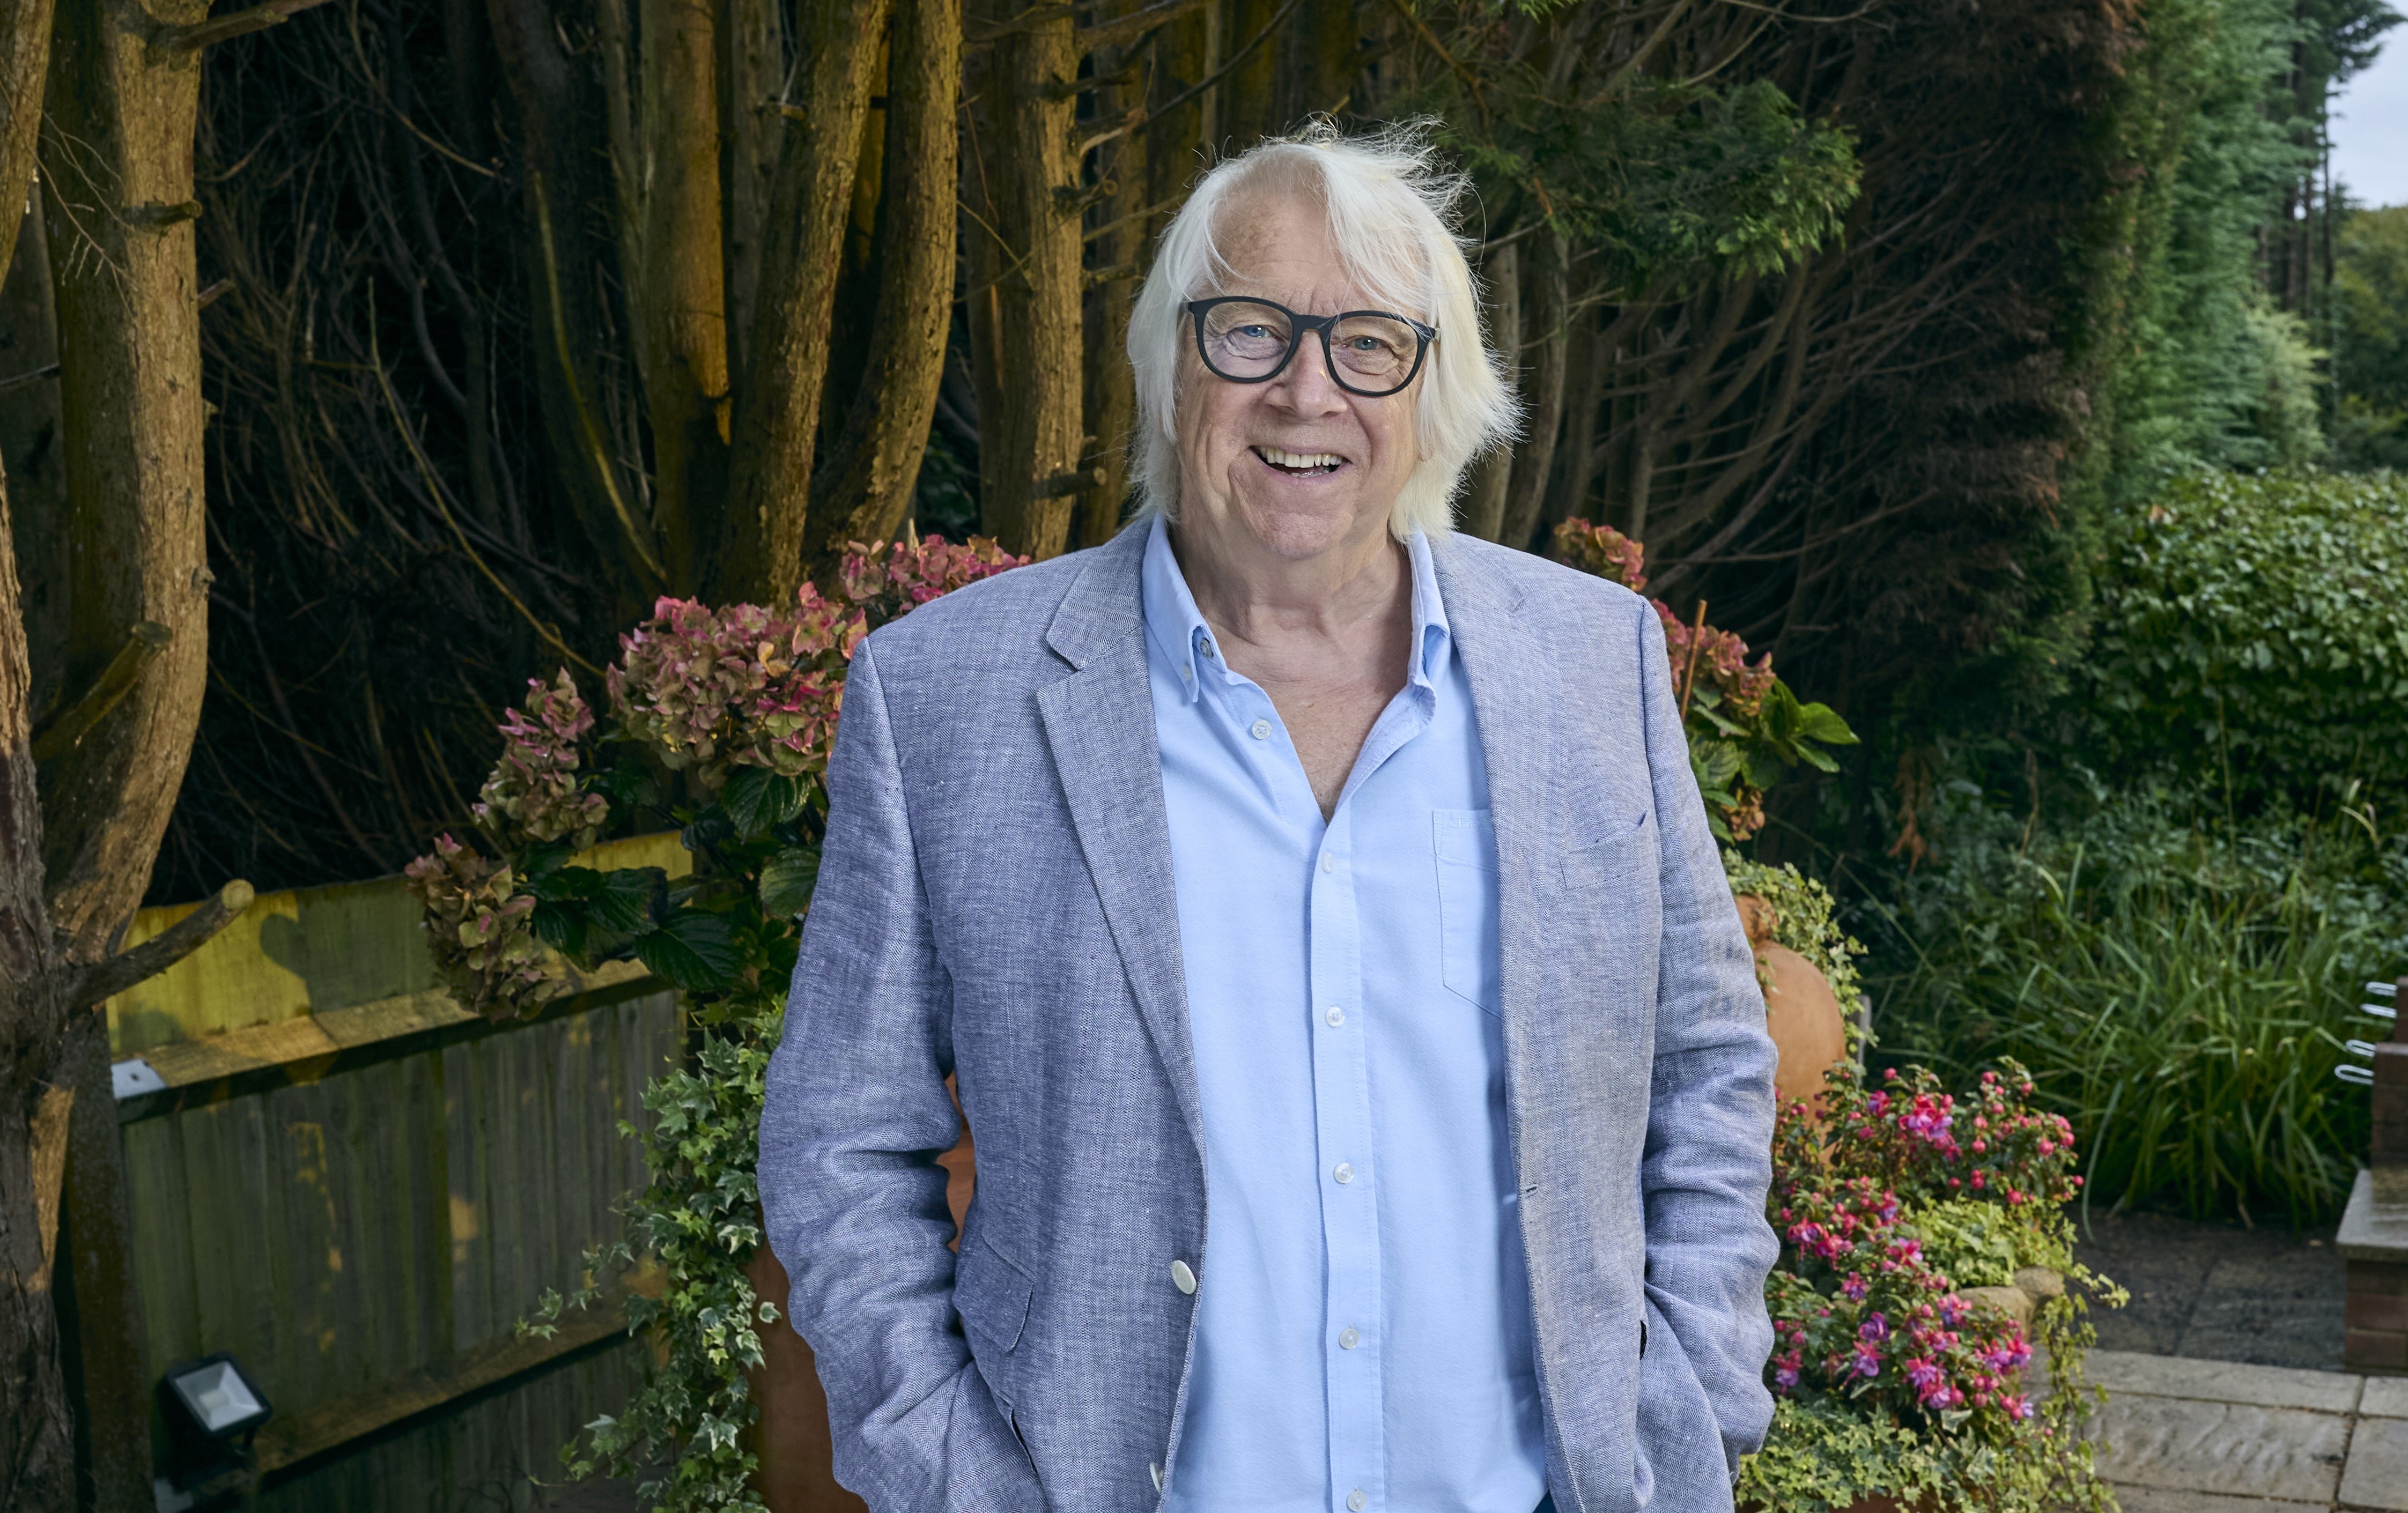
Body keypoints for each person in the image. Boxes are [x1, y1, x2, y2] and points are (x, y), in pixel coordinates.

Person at [759, 125, 1777, 1513]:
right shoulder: (945, 698)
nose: (1307, 390)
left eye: (1370, 342)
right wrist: (952, 1480)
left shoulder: (1592, 667)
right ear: (1171, 369)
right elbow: (840, 1140)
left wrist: (1695, 1406)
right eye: (1250, 330)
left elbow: (1710, 1061)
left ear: (1437, 391)